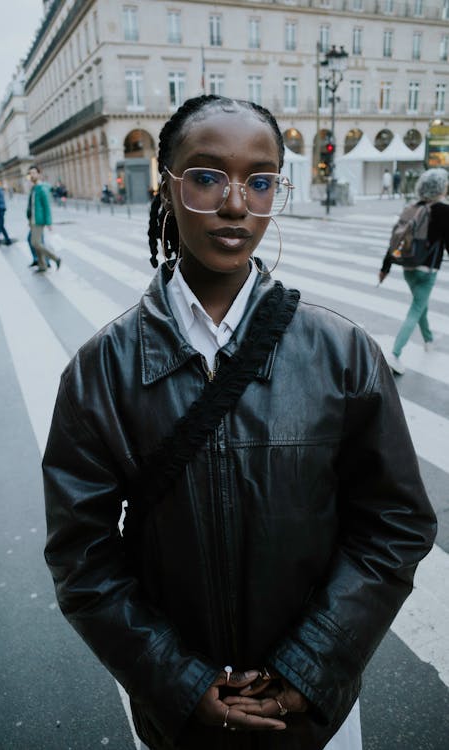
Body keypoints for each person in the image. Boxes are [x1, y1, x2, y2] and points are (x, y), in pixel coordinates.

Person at [43, 96, 436, 750]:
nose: (235, 204)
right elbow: (81, 557)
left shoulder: (341, 352)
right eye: (205, 176)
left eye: (260, 181)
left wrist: (312, 665)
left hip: (313, 711)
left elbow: (394, 522)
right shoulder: (100, 372)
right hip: (181, 718)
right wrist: (179, 682)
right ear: (166, 186)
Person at [379, 167, 449, 375]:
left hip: (408, 267)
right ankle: (395, 354)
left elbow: (395, 239)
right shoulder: (443, 210)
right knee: (416, 308)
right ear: (440, 187)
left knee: (420, 304)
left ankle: (428, 339)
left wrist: (386, 268)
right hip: (427, 270)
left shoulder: (412, 207)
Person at [26, 164, 61, 273]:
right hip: (33, 220)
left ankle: (55, 258)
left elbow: (46, 205)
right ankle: (42, 265)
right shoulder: (34, 188)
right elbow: (31, 206)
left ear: (38, 174)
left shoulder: (41, 188)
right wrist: (29, 219)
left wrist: (49, 222)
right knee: (35, 242)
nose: (32, 175)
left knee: (35, 242)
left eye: (34, 173)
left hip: (39, 220)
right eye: (30, 173)